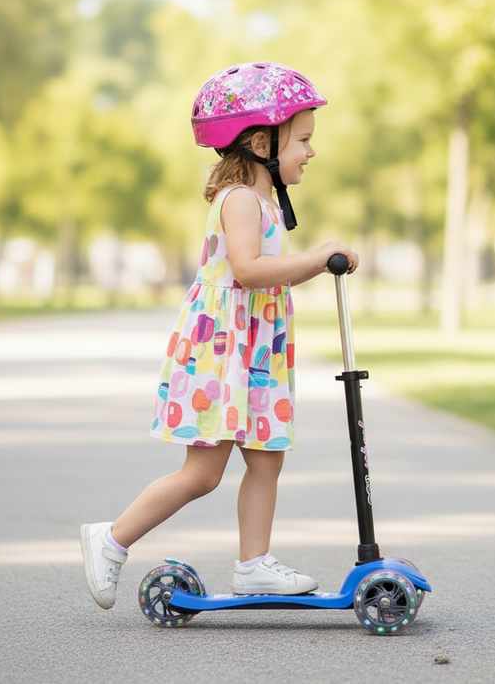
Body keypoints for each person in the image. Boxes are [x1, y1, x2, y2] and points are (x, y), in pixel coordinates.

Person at [80, 62, 358, 609]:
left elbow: (266, 274)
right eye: (302, 139)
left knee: (266, 457)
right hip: (223, 349)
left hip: (257, 345)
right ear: (261, 142)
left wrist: (319, 261)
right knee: (203, 473)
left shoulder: (266, 202)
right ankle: (110, 540)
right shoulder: (238, 199)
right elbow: (249, 270)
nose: (310, 150)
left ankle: (253, 564)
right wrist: (315, 258)